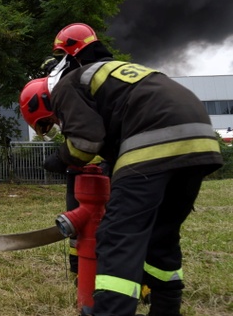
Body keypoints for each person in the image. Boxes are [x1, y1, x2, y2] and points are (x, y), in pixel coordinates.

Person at [20, 23, 223, 316]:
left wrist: (62, 159)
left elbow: (84, 142)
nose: (59, 126)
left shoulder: (66, 85)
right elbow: (115, 130)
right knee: (161, 235)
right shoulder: (117, 73)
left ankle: (110, 311)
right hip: (200, 137)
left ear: (42, 103)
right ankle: (165, 307)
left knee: (119, 235)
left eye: (52, 122)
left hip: (153, 136)